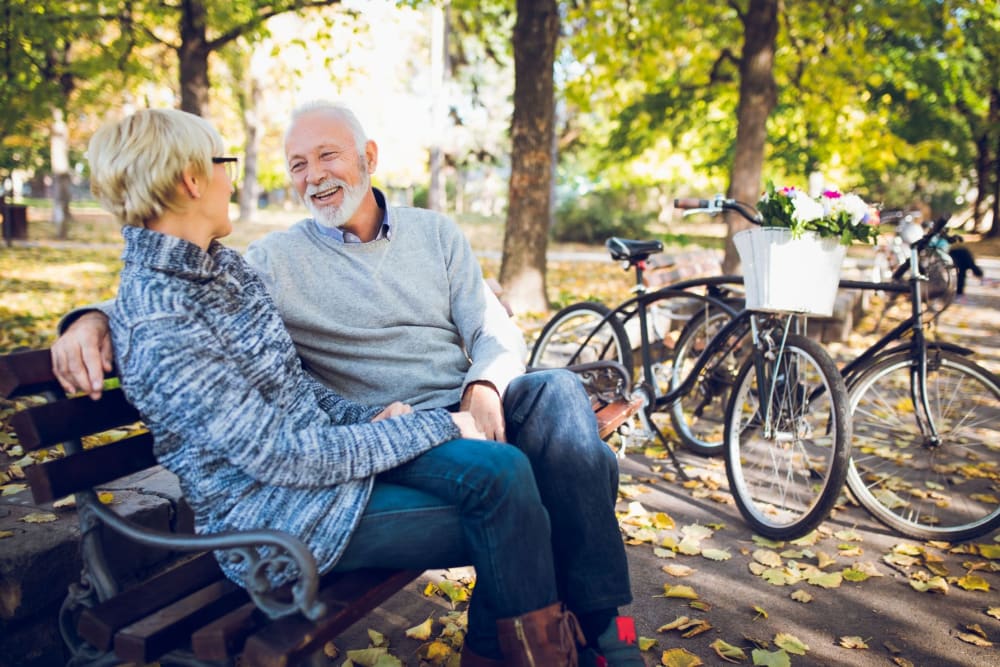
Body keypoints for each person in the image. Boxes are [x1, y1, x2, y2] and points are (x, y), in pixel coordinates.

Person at [56, 104, 642, 667]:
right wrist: (93, 316)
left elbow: (488, 331)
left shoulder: (235, 267)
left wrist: (478, 390)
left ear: (368, 157)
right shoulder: (260, 266)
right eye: (296, 164)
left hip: (387, 437)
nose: (312, 176)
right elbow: (160, 301)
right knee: (539, 486)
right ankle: (580, 641)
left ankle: (590, 638)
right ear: (191, 179)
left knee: (560, 405)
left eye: (327, 155)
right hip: (298, 501)